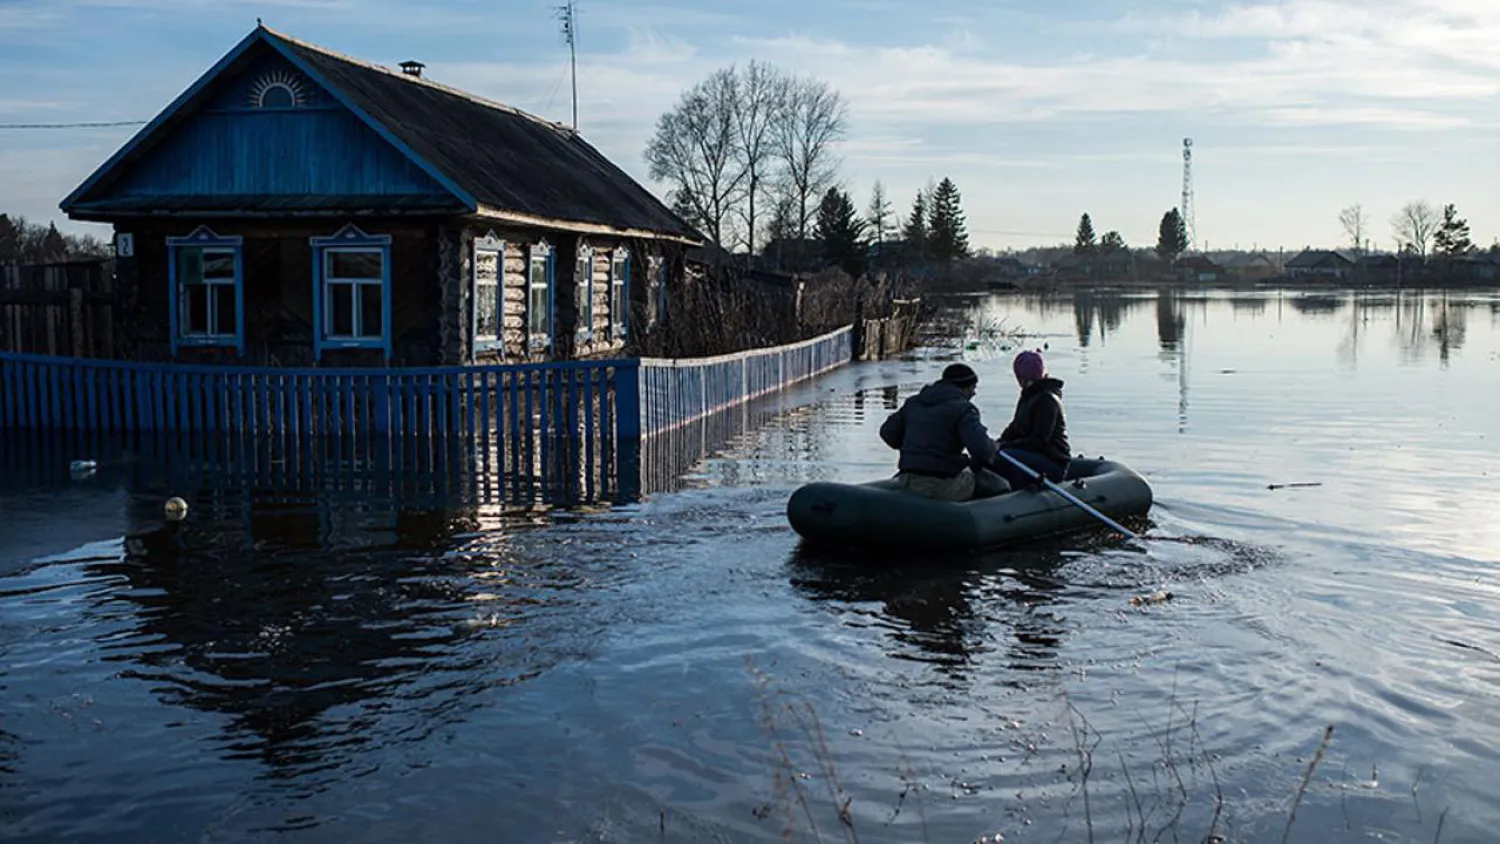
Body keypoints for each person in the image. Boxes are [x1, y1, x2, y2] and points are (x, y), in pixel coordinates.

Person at [879, 363, 1009, 501]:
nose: (974, 393)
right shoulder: (964, 409)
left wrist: (914, 448)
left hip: (907, 480)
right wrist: (992, 449)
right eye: (973, 388)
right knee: (998, 485)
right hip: (941, 484)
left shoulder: (913, 403)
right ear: (965, 388)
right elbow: (982, 451)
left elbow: (887, 433)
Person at [991, 349, 1071, 490]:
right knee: (998, 455)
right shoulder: (1029, 396)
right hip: (1034, 456)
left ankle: (1018, 492)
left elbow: (1038, 440)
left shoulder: (1046, 400)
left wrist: (1005, 447)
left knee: (1008, 456)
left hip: (1052, 462)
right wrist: (998, 443)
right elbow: (1015, 427)